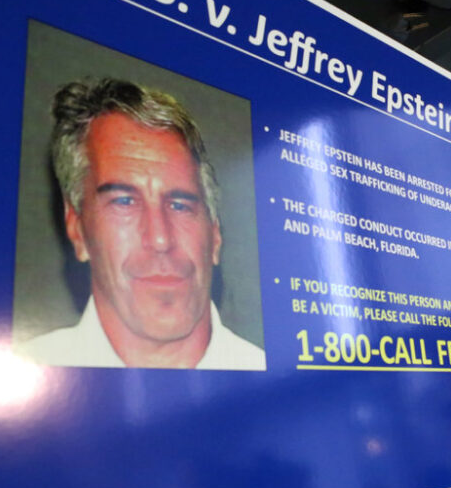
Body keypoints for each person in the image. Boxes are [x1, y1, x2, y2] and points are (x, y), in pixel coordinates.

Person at [16, 78, 265, 371]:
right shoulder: (25, 372)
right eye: (124, 202)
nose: (160, 239)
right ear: (77, 229)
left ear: (215, 234)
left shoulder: (278, 381)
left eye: (180, 205)